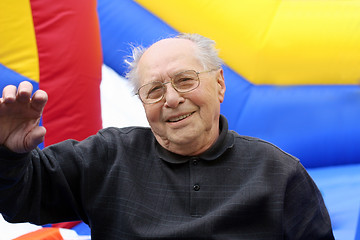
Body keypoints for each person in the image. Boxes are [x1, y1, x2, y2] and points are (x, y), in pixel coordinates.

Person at [0, 33, 334, 239]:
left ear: (219, 83)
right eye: (155, 90)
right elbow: (21, 197)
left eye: (185, 80)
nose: (171, 99)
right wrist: (8, 152)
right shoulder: (106, 157)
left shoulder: (279, 174)